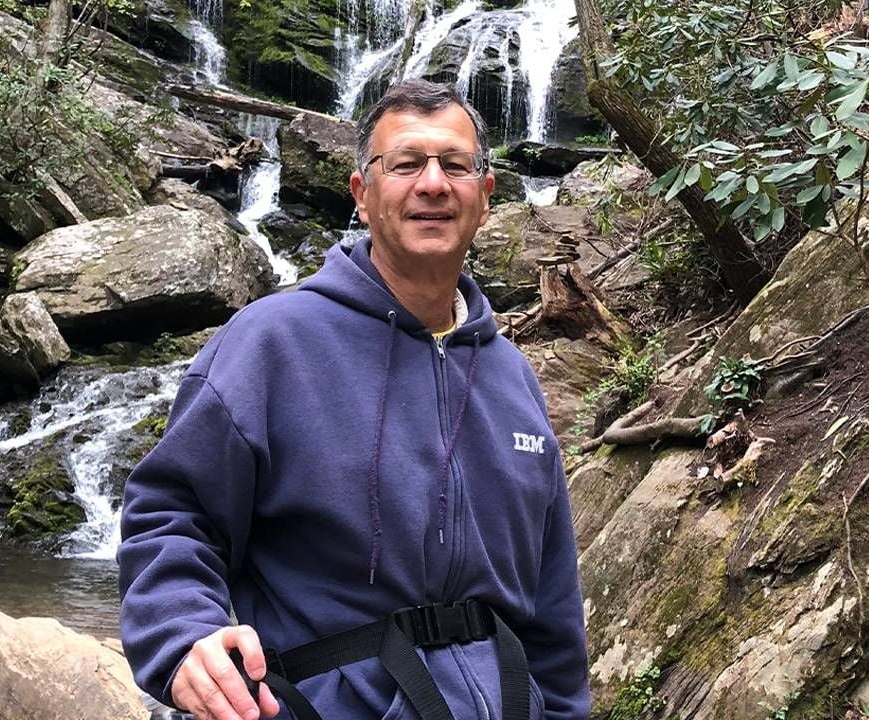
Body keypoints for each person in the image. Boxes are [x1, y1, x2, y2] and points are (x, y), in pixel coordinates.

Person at [117, 79, 591, 720]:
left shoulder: (512, 377)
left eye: (455, 165)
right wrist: (184, 636)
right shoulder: (271, 343)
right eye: (405, 164)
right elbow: (172, 514)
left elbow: (551, 595)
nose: (432, 184)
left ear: (485, 197)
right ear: (362, 196)